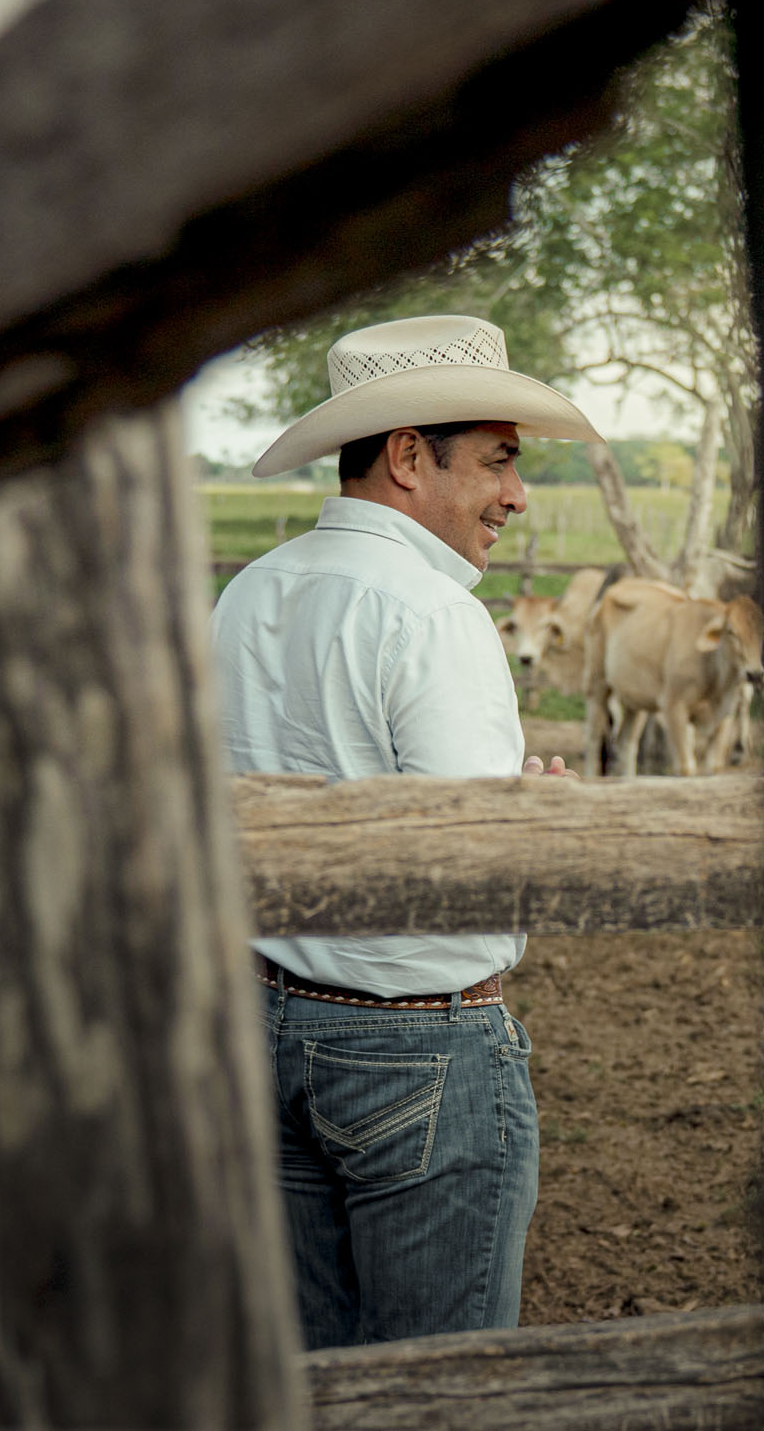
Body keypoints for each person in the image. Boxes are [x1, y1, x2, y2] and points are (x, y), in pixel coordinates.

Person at [212, 314, 601, 1348]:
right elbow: (470, 869)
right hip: (419, 1046)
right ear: (407, 455)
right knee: (446, 1386)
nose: (517, 495)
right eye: (499, 460)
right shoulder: (432, 612)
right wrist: (544, 829)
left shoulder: (247, 594)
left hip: (264, 1024)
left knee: (318, 1378)